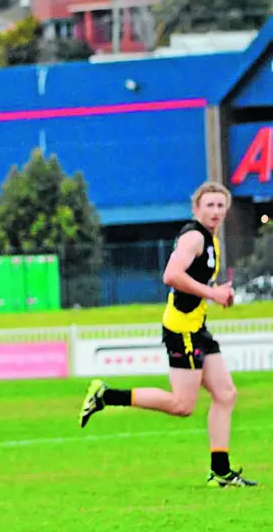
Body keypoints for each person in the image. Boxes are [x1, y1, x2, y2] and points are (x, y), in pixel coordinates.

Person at [81, 181, 258, 487]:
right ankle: (106, 395)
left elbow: (193, 280)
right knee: (182, 406)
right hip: (182, 329)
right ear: (196, 208)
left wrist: (214, 293)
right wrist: (212, 295)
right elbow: (171, 276)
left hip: (197, 326)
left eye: (220, 206)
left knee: (226, 394)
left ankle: (221, 472)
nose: (216, 211)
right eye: (210, 205)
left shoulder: (211, 240)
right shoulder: (193, 237)